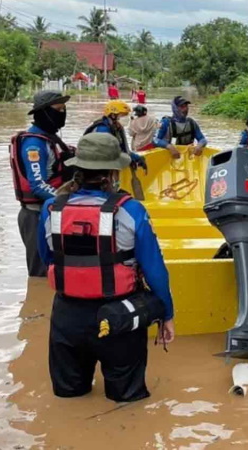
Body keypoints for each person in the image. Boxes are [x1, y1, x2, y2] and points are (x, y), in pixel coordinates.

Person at [38, 133, 175, 402]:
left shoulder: (50, 208)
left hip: (67, 316)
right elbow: (155, 270)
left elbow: (48, 259)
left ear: (78, 168)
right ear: (113, 172)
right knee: (127, 399)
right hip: (120, 316)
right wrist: (166, 314)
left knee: (69, 397)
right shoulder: (132, 210)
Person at [9, 90, 74, 277]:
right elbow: (37, 185)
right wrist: (69, 201)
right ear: (43, 112)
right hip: (36, 216)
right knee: (40, 274)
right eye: (58, 109)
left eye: (64, 109)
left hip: (52, 212)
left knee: (57, 270)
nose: (62, 113)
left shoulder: (51, 139)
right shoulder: (34, 145)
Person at [84, 100, 146, 167]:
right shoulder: (103, 129)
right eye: (119, 116)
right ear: (113, 115)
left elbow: (123, 149)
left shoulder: (114, 128)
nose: (119, 119)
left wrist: (137, 158)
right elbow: (108, 151)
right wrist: (130, 159)